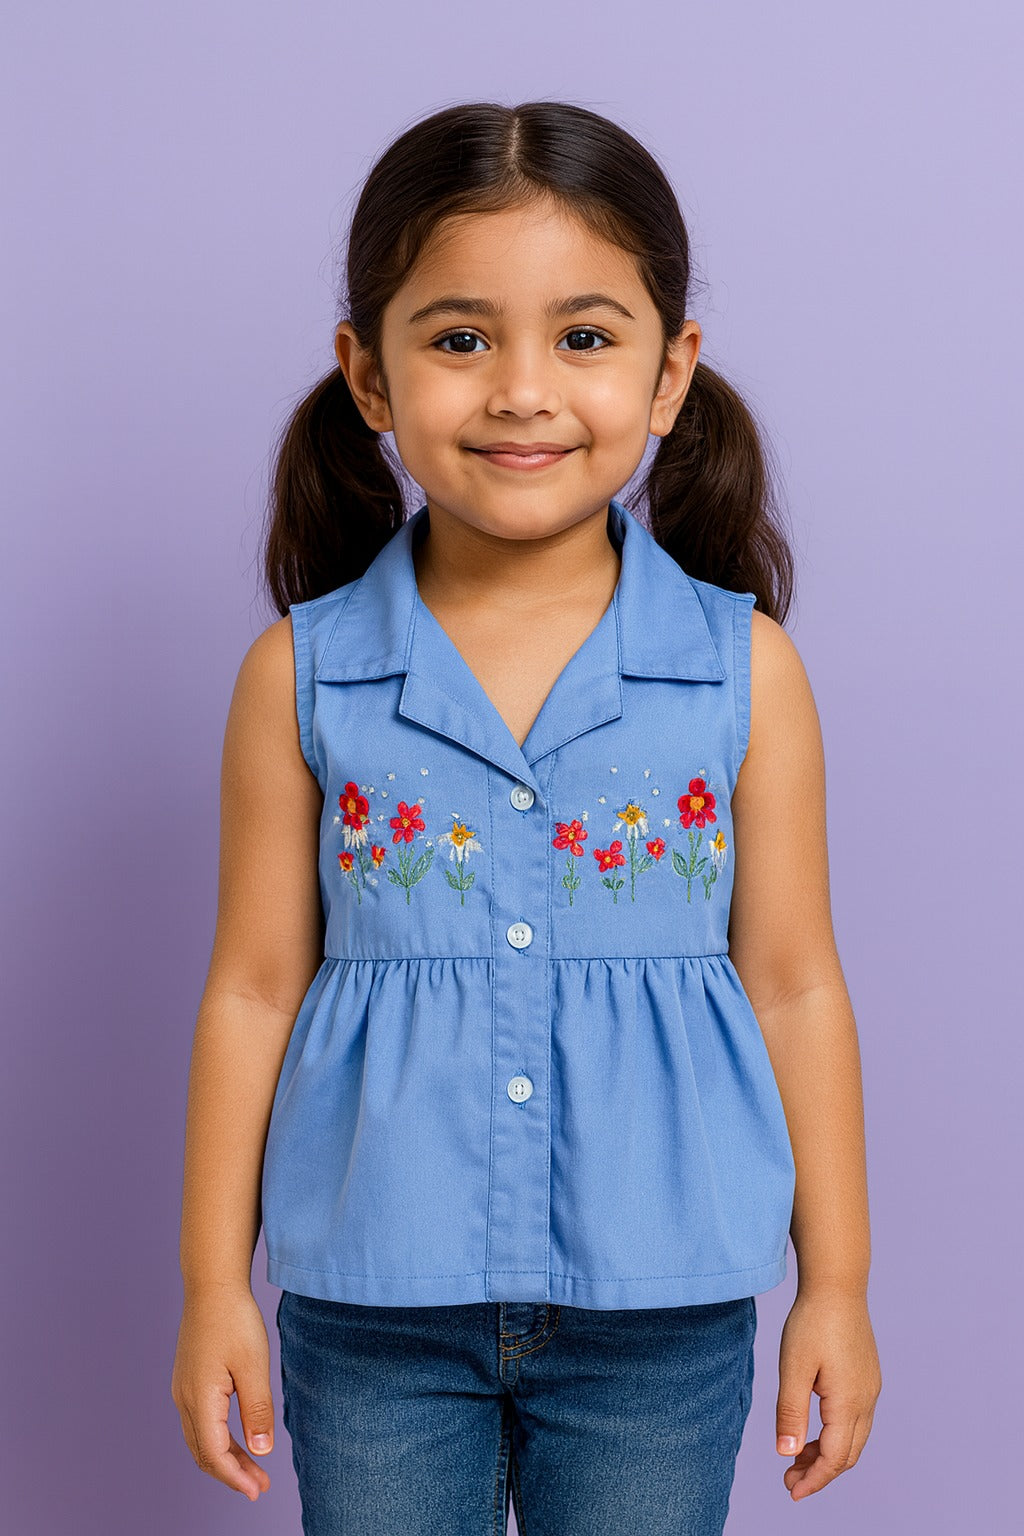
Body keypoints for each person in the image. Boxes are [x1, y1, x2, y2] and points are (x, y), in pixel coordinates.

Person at [171, 99, 882, 1535]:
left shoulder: (743, 671)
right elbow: (253, 988)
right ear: (367, 376)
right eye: (457, 338)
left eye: (584, 335)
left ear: (671, 371)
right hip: (372, 1307)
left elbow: (795, 981)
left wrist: (839, 1286)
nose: (520, 391)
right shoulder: (300, 677)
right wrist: (209, 1291)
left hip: (661, 1310)